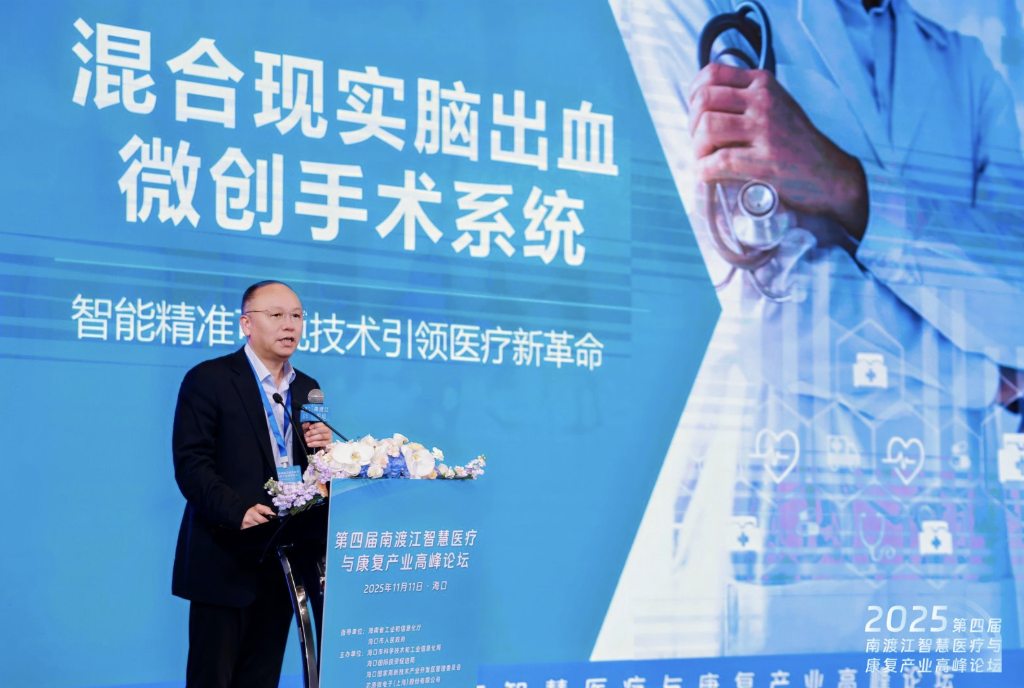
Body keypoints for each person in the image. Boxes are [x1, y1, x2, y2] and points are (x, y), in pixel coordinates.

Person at [595, 0, 1024, 659]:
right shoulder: (685, 10)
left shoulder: (966, 67)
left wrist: (845, 186)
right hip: (771, 562)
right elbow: (767, 316)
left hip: (954, 581)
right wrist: (978, 373)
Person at [172, 280, 332, 687]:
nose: (289, 325)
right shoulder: (209, 379)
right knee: (213, 677)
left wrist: (326, 452)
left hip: (284, 557)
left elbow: (310, 469)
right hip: (225, 554)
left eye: (296, 316)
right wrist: (236, 511)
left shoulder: (306, 388)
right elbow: (192, 464)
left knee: (261, 677)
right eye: (276, 315)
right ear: (247, 323)